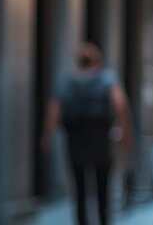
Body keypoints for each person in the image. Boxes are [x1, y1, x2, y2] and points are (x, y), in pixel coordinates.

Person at [41, 42, 134, 225]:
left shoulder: (67, 82)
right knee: (102, 191)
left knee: (80, 192)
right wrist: (126, 132)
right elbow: (120, 104)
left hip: (76, 143)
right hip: (100, 142)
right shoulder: (107, 78)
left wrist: (47, 137)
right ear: (98, 62)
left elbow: (54, 110)